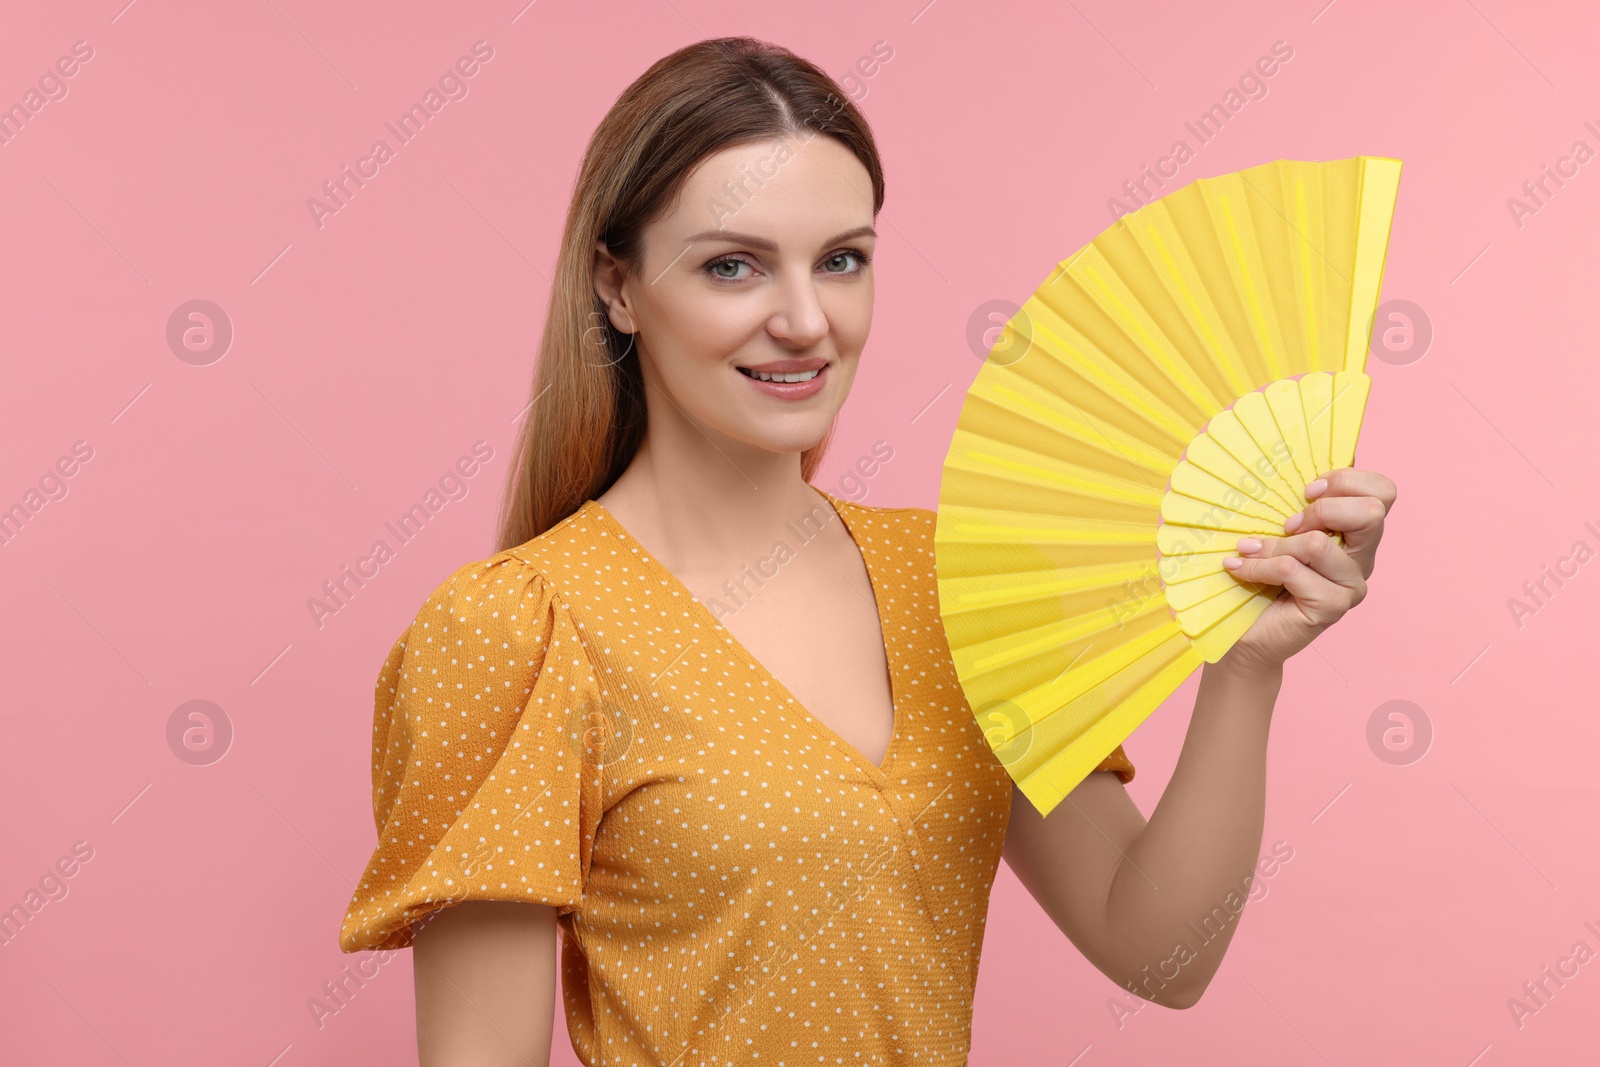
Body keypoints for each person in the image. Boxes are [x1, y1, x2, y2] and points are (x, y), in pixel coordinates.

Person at [338, 35, 1397, 1067]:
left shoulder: (960, 585)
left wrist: (1245, 666)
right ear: (617, 287)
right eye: (733, 266)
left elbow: (1157, 947)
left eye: (841, 259)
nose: (805, 320)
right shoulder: (518, 629)